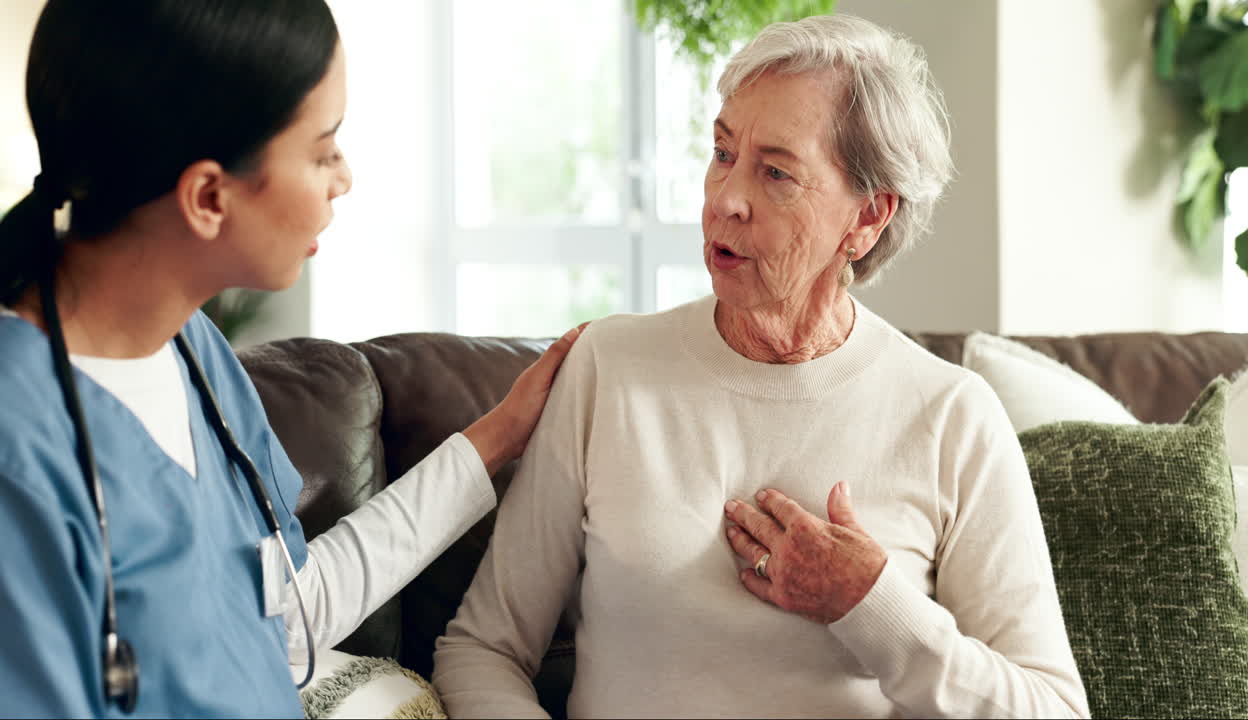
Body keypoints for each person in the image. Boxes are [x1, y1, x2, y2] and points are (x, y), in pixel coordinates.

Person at [433, 13, 1090, 719]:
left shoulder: (951, 416)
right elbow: (482, 650)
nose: (725, 200)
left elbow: (1052, 709)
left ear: (867, 218)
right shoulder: (610, 367)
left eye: (776, 173)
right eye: (722, 154)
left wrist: (871, 604)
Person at [0, 1, 582, 716]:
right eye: (322, 147)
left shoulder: (195, 355)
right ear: (209, 196)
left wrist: (500, 433)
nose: (344, 176)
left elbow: (283, 619)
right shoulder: (20, 450)